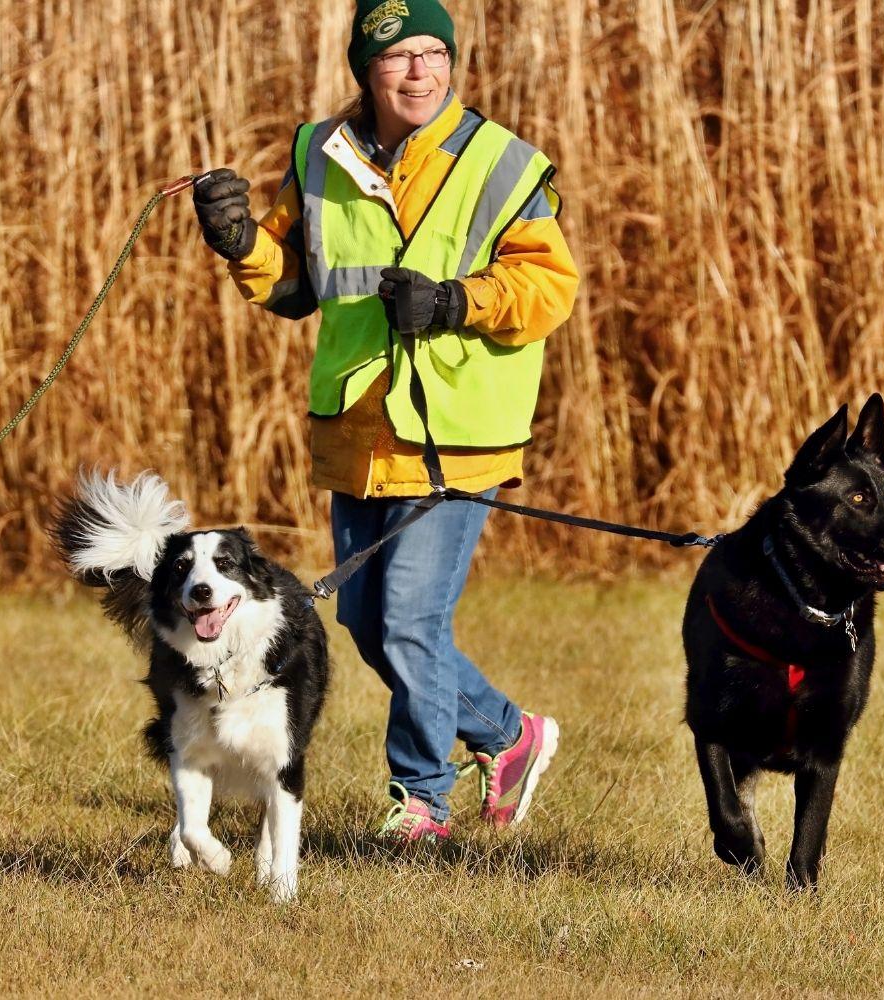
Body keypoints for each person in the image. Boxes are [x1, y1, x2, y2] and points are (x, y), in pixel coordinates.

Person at [191, 0, 579, 841]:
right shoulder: (320, 153)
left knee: (411, 624)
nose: (420, 72)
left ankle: (421, 803)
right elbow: (296, 280)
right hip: (358, 427)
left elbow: (551, 288)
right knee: (367, 621)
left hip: (456, 433)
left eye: (435, 54)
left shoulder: (500, 163)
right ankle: (510, 737)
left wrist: (455, 302)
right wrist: (238, 244)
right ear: (364, 70)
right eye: (399, 57)